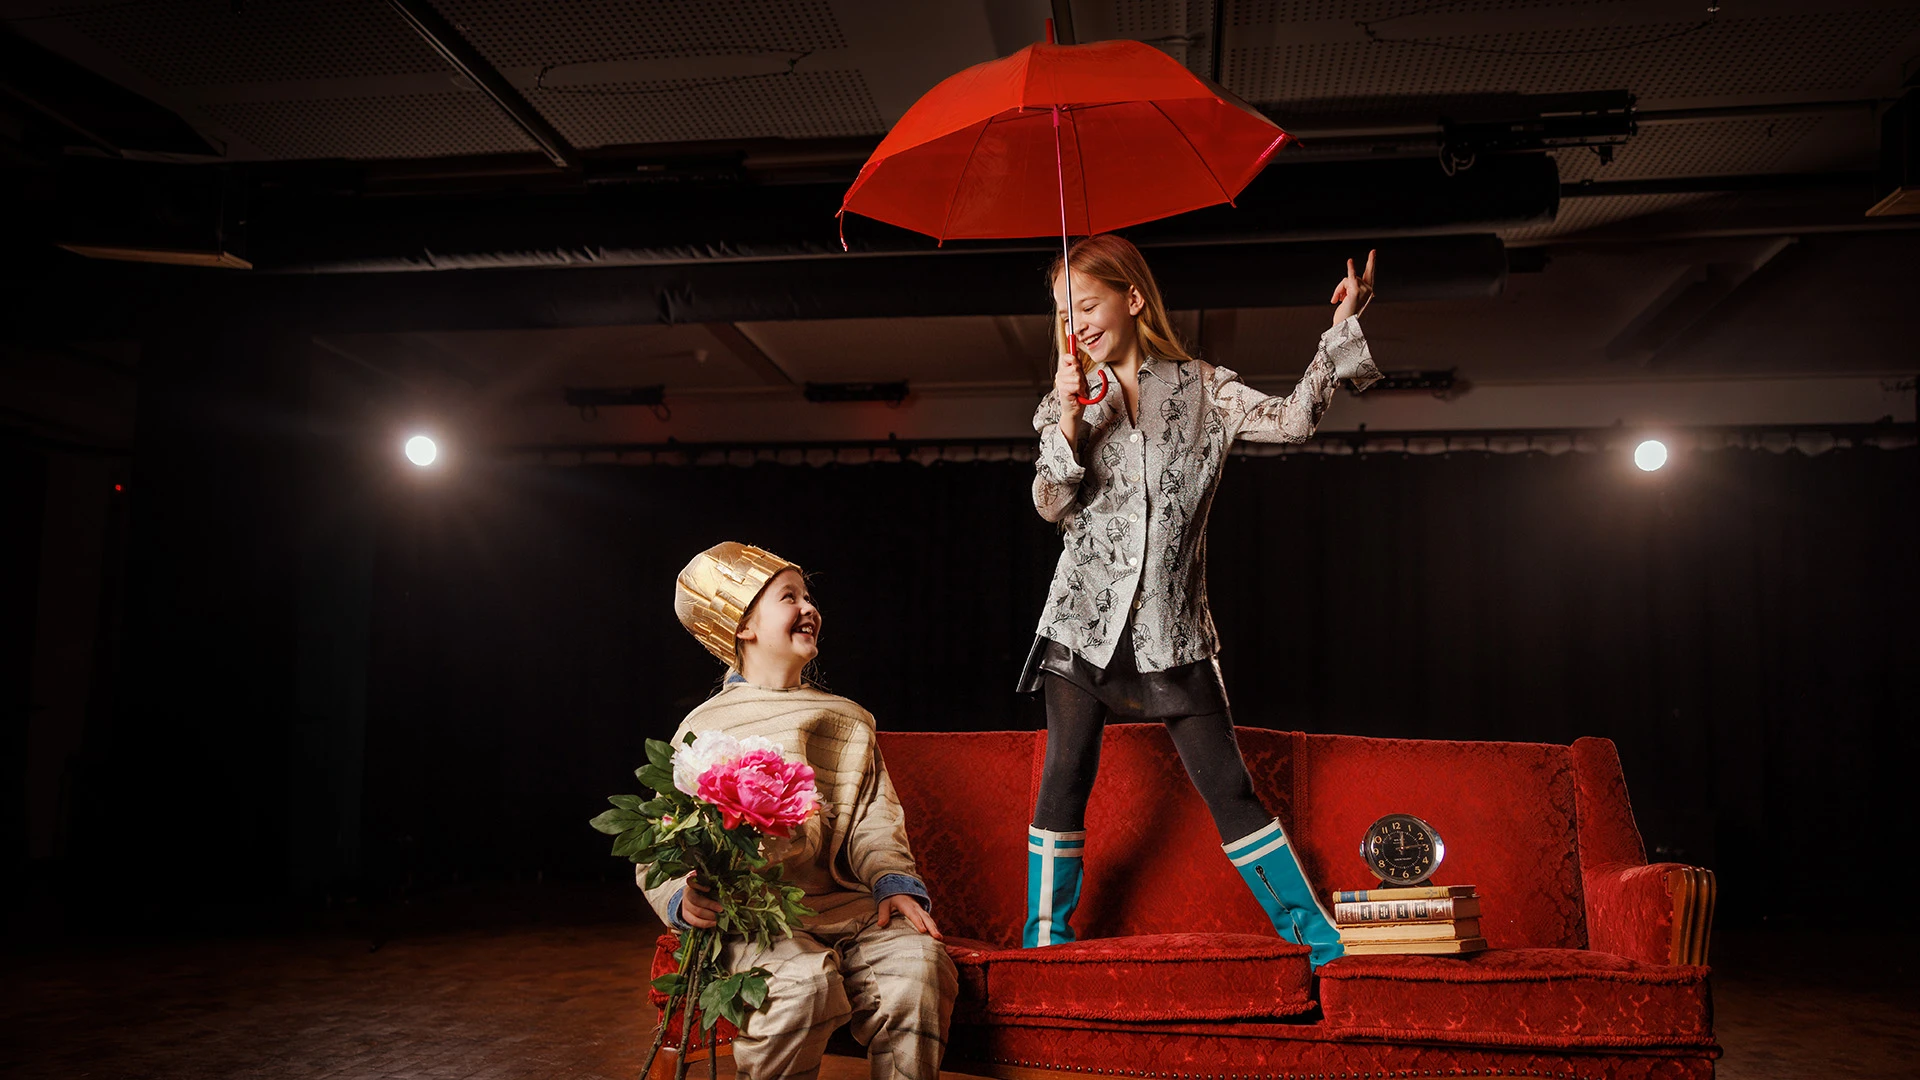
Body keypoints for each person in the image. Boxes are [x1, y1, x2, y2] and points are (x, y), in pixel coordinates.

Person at [1018, 235, 1382, 967]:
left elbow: (1294, 420)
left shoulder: (1205, 390)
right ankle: (1042, 952)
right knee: (1064, 779)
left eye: (1087, 305)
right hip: (1081, 628)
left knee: (1230, 788)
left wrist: (1341, 330)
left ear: (1132, 298)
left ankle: (1322, 950)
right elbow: (1049, 503)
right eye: (1063, 312)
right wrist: (1069, 419)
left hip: (1173, 631)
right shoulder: (1066, 402)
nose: (1076, 324)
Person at [642, 542, 956, 1080]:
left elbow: (873, 819)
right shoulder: (704, 728)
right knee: (801, 987)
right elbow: (662, 839)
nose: (809, 607)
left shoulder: (848, 719)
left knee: (919, 968)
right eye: (790, 597)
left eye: (809, 597)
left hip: (850, 908)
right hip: (756, 921)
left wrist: (892, 883)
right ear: (743, 625)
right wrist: (681, 894)